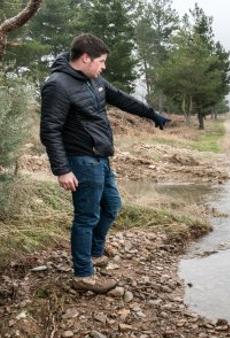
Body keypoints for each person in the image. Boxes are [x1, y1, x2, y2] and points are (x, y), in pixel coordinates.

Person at [40, 34, 169, 294]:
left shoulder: (93, 79)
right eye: (101, 61)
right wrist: (62, 169)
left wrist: (151, 114)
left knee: (111, 206)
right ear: (85, 58)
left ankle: (94, 253)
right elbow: (50, 130)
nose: (104, 67)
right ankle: (84, 275)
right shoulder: (58, 85)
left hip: (101, 157)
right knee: (86, 217)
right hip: (81, 160)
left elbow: (121, 98)